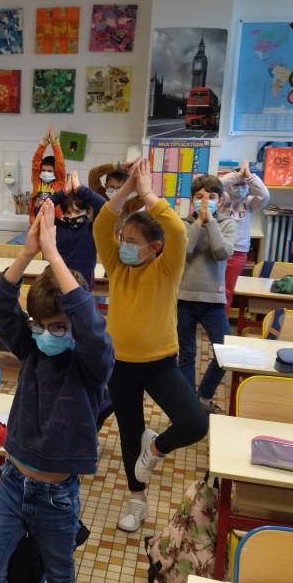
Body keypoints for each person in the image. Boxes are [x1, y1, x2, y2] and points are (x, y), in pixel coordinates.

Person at [0, 201, 114, 583]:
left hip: (56, 496)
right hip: (14, 484)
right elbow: (0, 307)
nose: (47, 335)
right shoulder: (32, 349)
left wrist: (55, 255)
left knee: (61, 582)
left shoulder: (90, 365)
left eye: (58, 327)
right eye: (40, 326)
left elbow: (91, 329)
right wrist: (28, 252)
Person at [93, 159, 208, 532]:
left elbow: (175, 228)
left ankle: (154, 449)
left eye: (132, 242)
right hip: (120, 364)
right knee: (130, 430)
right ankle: (137, 502)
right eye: (123, 239)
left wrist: (146, 192)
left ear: (154, 247)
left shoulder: (167, 267)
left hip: (160, 363)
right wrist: (127, 189)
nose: (124, 246)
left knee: (194, 422)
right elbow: (102, 224)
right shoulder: (117, 266)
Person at [178, 174, 236, 414]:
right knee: (186, 353)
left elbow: (221, 252)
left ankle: (204, 395)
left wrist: (209, 221)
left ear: (220, 201)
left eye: (211, 197)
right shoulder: (183, 223)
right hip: (184, 298)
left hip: (213, 299)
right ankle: (187, 404)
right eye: (199, 196)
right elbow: (183, 251)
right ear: (192, 200)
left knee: (225, 351)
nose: (205, 201)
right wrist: (198, 222)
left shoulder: (227, 223)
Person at [217, 159, 269, 313]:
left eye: (243, 184)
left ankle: (222, 322)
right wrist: (237, 175)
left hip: (238, 252)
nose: (239, 188)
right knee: (213, 289)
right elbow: (214, 186)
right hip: (218, 250)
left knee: (227, 291)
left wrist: (249, 176)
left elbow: (264, 195)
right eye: (236, 184)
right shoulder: (221, 199)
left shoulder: (251, 202)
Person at [47, 170, 107, 289]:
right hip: (57, 283)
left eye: (78, 212)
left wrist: (80, 189)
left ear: (88, 212)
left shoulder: (92, 228)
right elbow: (41, 209)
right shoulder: (58, 227)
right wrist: (64, 192)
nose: (72, 216)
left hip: (83, 285)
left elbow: (102, 205)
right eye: (68, 213)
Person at [29, 123, 66, 223]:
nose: (46, 173)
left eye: (49, 171)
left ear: (55, 172)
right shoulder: (37, 182)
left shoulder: (59, 184)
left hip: (54, 225)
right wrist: (44, 141)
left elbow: (60, 163)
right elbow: (36, 161)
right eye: (43, 170)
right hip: (36, 223)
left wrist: (54, 141)